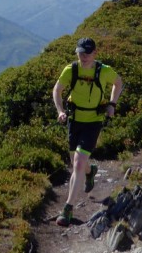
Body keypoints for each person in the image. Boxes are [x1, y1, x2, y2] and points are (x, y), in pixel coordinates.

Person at [52, 37, 123, 227]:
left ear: (95, 53)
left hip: (94, 121)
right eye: (80, 52)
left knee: (77, 163)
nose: (83, 56)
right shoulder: (71, 70)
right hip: (74, 120)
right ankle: (91, 171)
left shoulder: (104, 71)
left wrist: (112, 104)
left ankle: (68, 209)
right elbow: (57, 90)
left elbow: (118, 83)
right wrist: (60, 111)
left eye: (87, 53)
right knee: (76, 163)